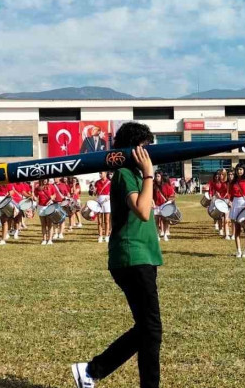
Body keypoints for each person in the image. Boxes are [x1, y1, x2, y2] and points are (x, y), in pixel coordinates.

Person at [72, 121, 162, 388]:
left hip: (144, 256)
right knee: (151, 330)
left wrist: (147, 177)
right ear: (134, 149)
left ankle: (90, 371)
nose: (150, 152)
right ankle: (91, 370)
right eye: (146, 146)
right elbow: (143, 210)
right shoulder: (125, 174)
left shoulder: (134, 174)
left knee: (147, 330)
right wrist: (148, 175)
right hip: (131, 257)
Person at [228, 164, 245, 258]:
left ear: (244, 170)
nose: (239, 171)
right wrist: (230, 202)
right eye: (237, 169)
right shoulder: (233, 182)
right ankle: (238, 250)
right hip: (236, 204)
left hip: (244, 204)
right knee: (237, 230)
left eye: (241, 169)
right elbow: (231, 195)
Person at [152, 172, 175, 242]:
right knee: (156, 221)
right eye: (156, 176)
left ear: (161, 177)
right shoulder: (153, 185)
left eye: (158, 176)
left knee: (165, 220)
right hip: (156, 205)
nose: (157, 178)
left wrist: (169, 201)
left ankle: (165, 234)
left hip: (164, 205)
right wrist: (152, 201)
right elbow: (150, 195)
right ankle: (157, 235)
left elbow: (172, 195)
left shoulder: (166, 185)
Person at [35, 179, 59, 245]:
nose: (45, 180)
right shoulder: (37, 187)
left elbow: (54, 195)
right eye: (44, 179)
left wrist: (52, 198)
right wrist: (34, 198)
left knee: (49, 224)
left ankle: (50, 240)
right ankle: (44, 239)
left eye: (46, 179)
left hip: (49, 206)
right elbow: (36, 196)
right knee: (43, 224)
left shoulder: (51, 186)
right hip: (41, 207)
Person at [94, 172, 112, 243]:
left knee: (107, 220)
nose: (100, 174)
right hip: (99, 201)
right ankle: (100, 236)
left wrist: (109, 197)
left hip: (107, 201)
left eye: (101, 173)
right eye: (99, 173)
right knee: (99, 221)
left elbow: (112, 192)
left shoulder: (110, 182)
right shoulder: (97, 182)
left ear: (105, 173)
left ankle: (107, 236)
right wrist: (94, 191)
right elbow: (95, 193)